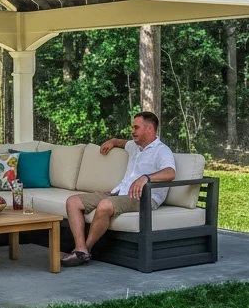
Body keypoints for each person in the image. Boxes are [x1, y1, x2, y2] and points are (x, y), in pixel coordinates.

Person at [60, 111, 175, 267]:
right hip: (120, 192)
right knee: (73, 202)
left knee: (105, 205)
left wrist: (146, 178)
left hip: (144, 198)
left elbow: (170, 172)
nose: (132, 131)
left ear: (149, 129)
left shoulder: (162, 150)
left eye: (136, 127)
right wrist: (113, 141)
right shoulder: (135, 146)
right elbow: (122, 143)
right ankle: (80, 248)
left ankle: (85, 251)